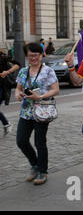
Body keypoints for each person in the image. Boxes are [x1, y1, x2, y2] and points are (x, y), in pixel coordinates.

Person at [15, 43, 59, 185]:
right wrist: (18, 94)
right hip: (26, 111)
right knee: (21, 140)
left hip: (42, 111)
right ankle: (34, 164)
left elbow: (55, 90)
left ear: (41, 55)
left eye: (36, 55)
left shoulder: (48, 71)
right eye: (30, 55)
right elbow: (18, 87)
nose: (33, 58)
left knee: (40, 142)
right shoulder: (23, 71)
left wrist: (39, 97)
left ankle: (42, 171)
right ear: (27, 56)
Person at [0, 50, 20, 136]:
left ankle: (6, 124)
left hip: (1, 86)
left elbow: (17, 64)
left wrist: (7, 72)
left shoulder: (2, 57)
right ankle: (6, 123)